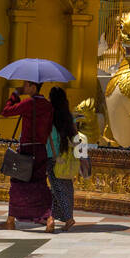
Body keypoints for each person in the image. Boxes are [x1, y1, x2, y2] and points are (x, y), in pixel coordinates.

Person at [0, 80, 55, 232]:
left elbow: (6, 111)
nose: (24, 87)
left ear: (34, 87)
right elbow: (48, 128)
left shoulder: (29, 103)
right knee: (40, 185)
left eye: (26, 85)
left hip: (27, 149)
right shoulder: (48, 105)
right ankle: (49, 218)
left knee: (17, 185)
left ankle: (10, 221)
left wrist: (15, 95)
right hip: (41, 149)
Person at [48, 87, 84, 232]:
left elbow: (50, 138)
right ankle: (52, 217)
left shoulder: (51, 116)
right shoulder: (69, 117)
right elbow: (76, 137)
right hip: (68, 158)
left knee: (57, 189)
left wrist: (55, 156)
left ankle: (68, 218)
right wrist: (79, 156)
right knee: (66, 189)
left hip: (54, 157)